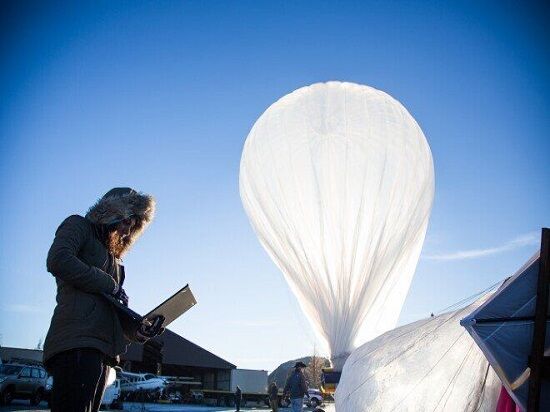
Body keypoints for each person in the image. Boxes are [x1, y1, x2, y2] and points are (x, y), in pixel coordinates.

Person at [43, 187, 162, 412]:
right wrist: (110, 284)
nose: (127, 231)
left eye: (134, 225)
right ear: (112, 213)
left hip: (103, 352)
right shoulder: (78, 225)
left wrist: (136, 329)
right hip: (77, 342)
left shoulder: (114, 260)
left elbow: (109, 305)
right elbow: (58, 259)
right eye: (127, 221)